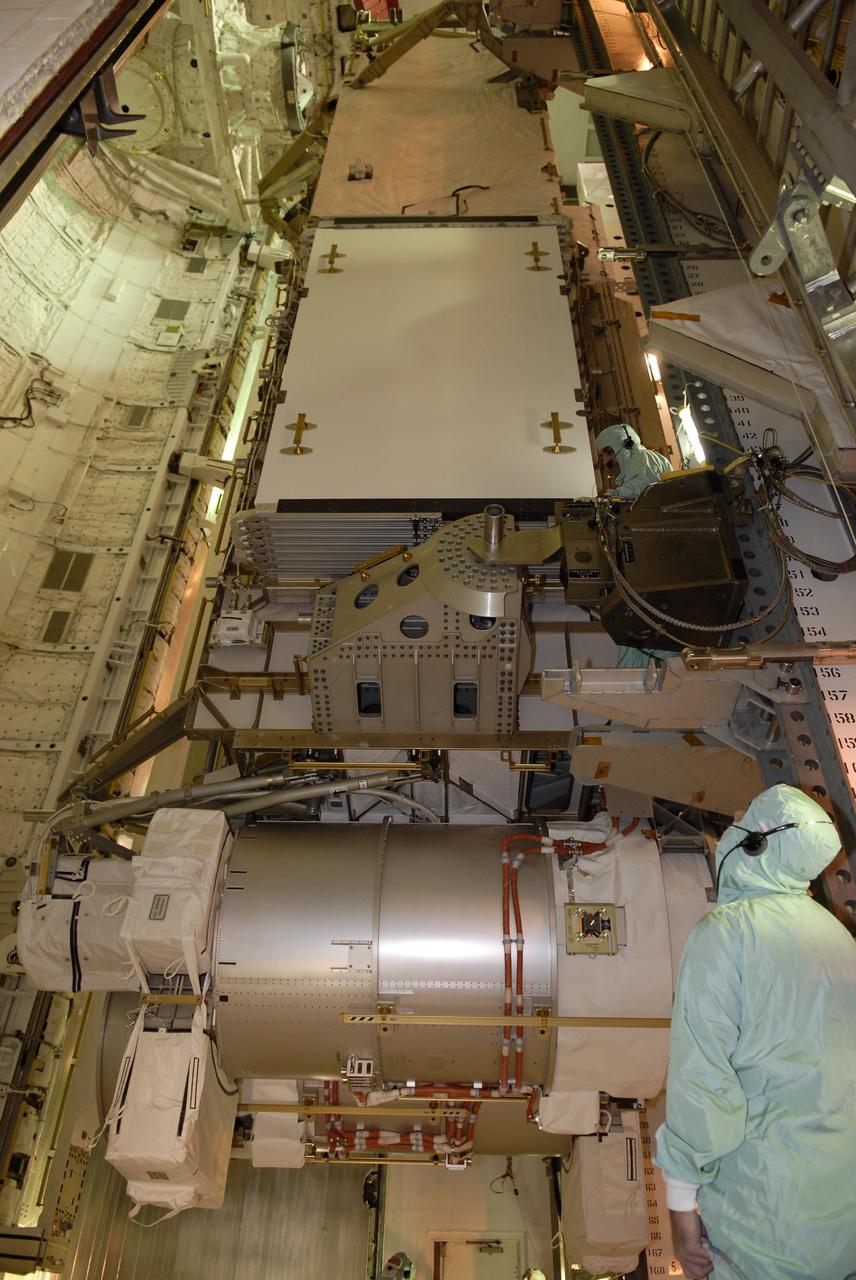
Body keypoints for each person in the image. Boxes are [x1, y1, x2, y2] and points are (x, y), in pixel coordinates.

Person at [655, 783, 856, 1279]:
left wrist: (680, 1206)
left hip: (765, 1215)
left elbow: (704, 1082)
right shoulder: (838, 937)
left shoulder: (726, 932)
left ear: (755, 843)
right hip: (844, 1218)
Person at [593, 423, 671, 499]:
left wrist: (616, 494)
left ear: (627, 444)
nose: (606, 461)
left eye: (610, 452)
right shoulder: (632, 466)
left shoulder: (644, 457)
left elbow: (643, 486)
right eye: (602, 456)